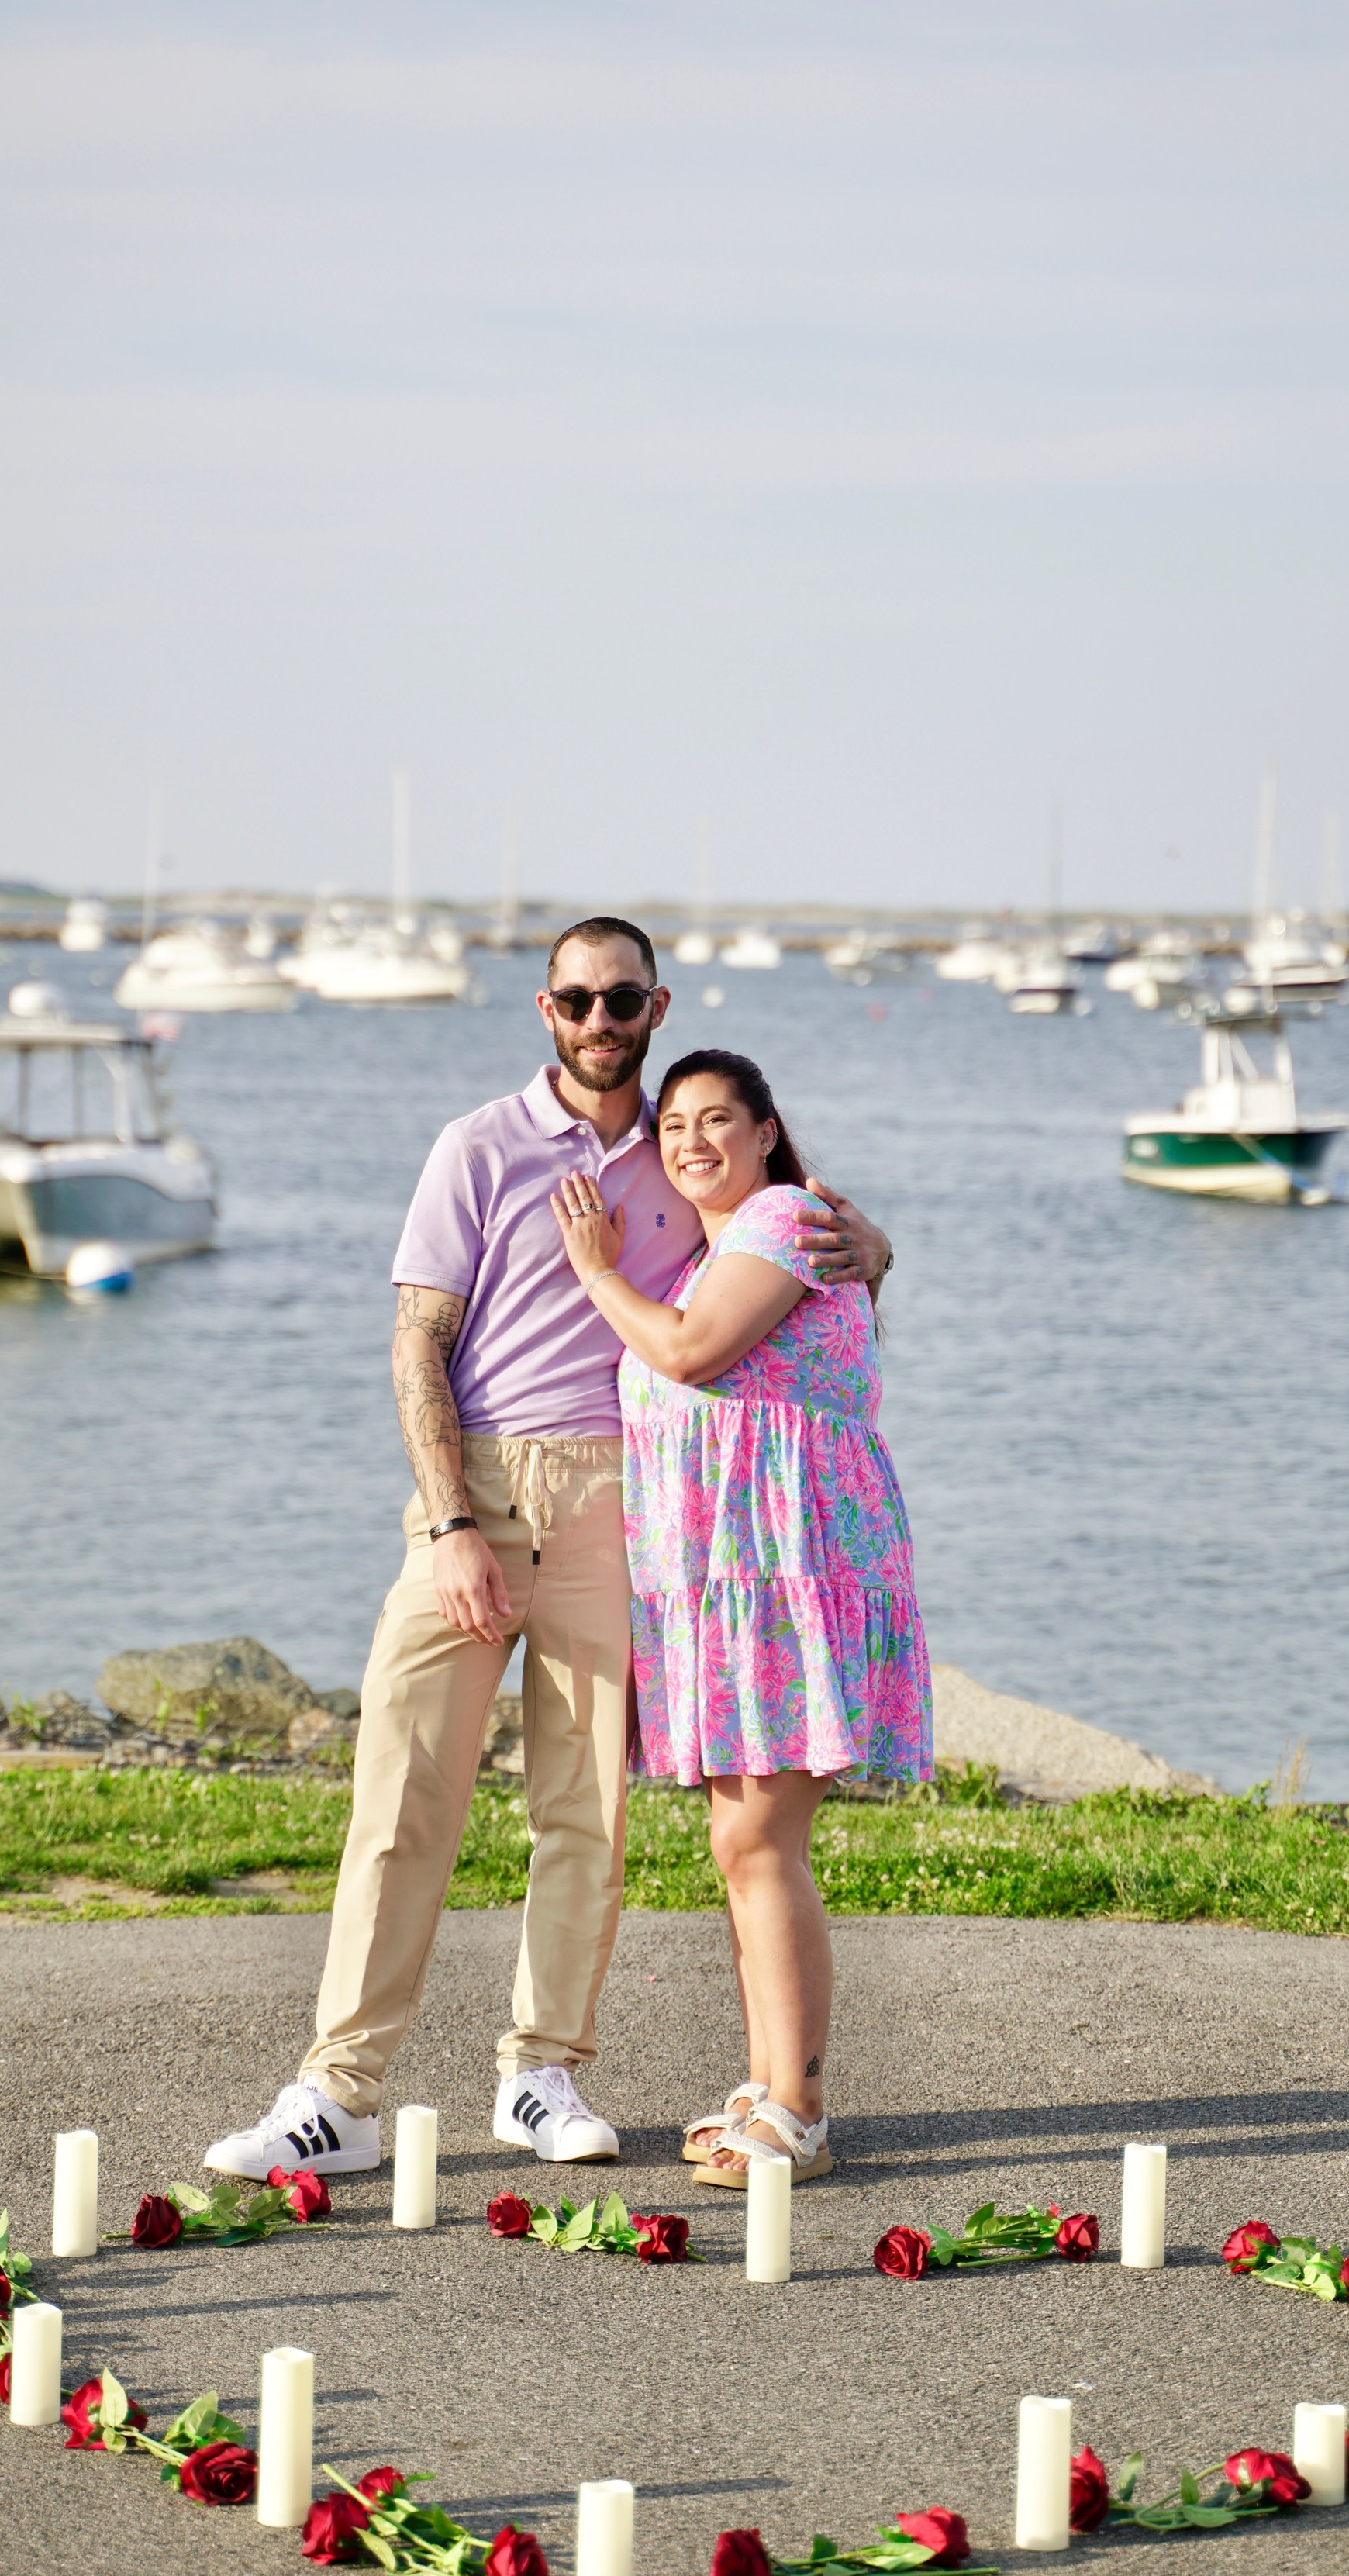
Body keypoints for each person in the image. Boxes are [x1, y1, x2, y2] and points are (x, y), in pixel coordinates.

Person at [203, 921, 894, 2180]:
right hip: (476, 1485)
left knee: (585, 1808)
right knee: (403, 1796)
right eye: (577, 996)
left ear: (655, 1003)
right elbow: (418, 1341)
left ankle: (541, 2071)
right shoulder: (478, 1146)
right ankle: (337, 2092)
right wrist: (451, 1519)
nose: (599, 1015)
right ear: (545, 1006)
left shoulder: (690, 1166)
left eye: (622, 995)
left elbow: (794, 1261)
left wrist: (879, 1247)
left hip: (619, 1501)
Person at [549, 1045, 931, 2188]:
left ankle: (800, 2105)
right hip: (729, 1579)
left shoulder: (777, 1218)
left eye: (718, 1118)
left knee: (759, 1840)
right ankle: (770, 2085)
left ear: (768, 1130)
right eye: (674, 1126)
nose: (691, 1142)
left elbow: (690, 1351)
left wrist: (593, 1270)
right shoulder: (743, 1242)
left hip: (786, 1571)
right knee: (741, 1842)